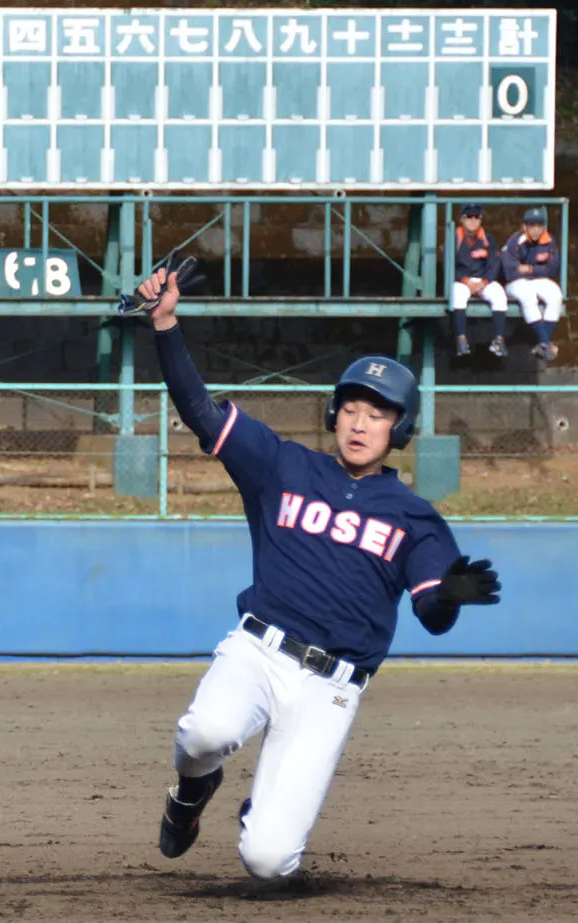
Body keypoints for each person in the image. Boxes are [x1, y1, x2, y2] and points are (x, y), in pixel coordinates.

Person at [131, 266, 501, 886]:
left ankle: (268, 813)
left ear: (399, 429)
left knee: (270, 862)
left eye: (378, 414)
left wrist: (454, 595)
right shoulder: (282, 465)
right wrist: (165, 324)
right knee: (204, 734)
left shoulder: (417, 519)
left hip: (332, 687)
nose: (360, 423)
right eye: (351, 408)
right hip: (259, 649)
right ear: (334, 414)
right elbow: (200, 409)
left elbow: (433, 615)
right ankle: (192, 796)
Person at [502, 207, 564, 364]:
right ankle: (546, 342)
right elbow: (510, 271)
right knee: (528, 296)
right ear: (525, 227)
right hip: (515, 283)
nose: (536, 230)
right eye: (532, 225)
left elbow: (552, 268)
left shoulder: (549, 241)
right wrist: (536, 271)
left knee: (556, 295)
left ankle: (543, 343)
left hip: (536, 279)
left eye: (539, 225)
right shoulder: (515, 241)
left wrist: (530, 269)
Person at [448, 203, 509, 359]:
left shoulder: (488, 238)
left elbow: (495, 263)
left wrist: (485, 281)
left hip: (483, 281)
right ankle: (461, 339)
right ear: (462, 219)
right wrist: (464, 279)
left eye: (477, 217)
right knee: (457, 295)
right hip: (463, 281)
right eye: (469, 217)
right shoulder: (454, 238)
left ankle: (499, 340)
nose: (473, 220)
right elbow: (448, 264)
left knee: (499, 295)